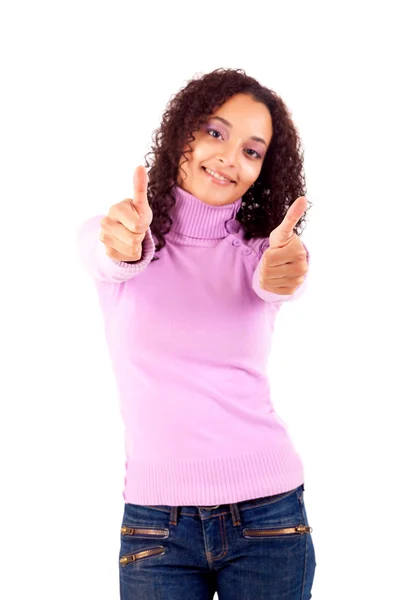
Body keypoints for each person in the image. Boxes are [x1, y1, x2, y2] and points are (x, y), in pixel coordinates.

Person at [77, 67, 316, 600]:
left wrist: (287, 269)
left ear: (263, 171)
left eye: (253, 151)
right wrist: (122, 243)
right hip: (155, 528)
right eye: (215, 132)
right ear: (183, 132)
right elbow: (112, 254)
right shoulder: (119, 237)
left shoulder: (262, 255)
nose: (230, 158)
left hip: (269, 519)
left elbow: (281, 277)